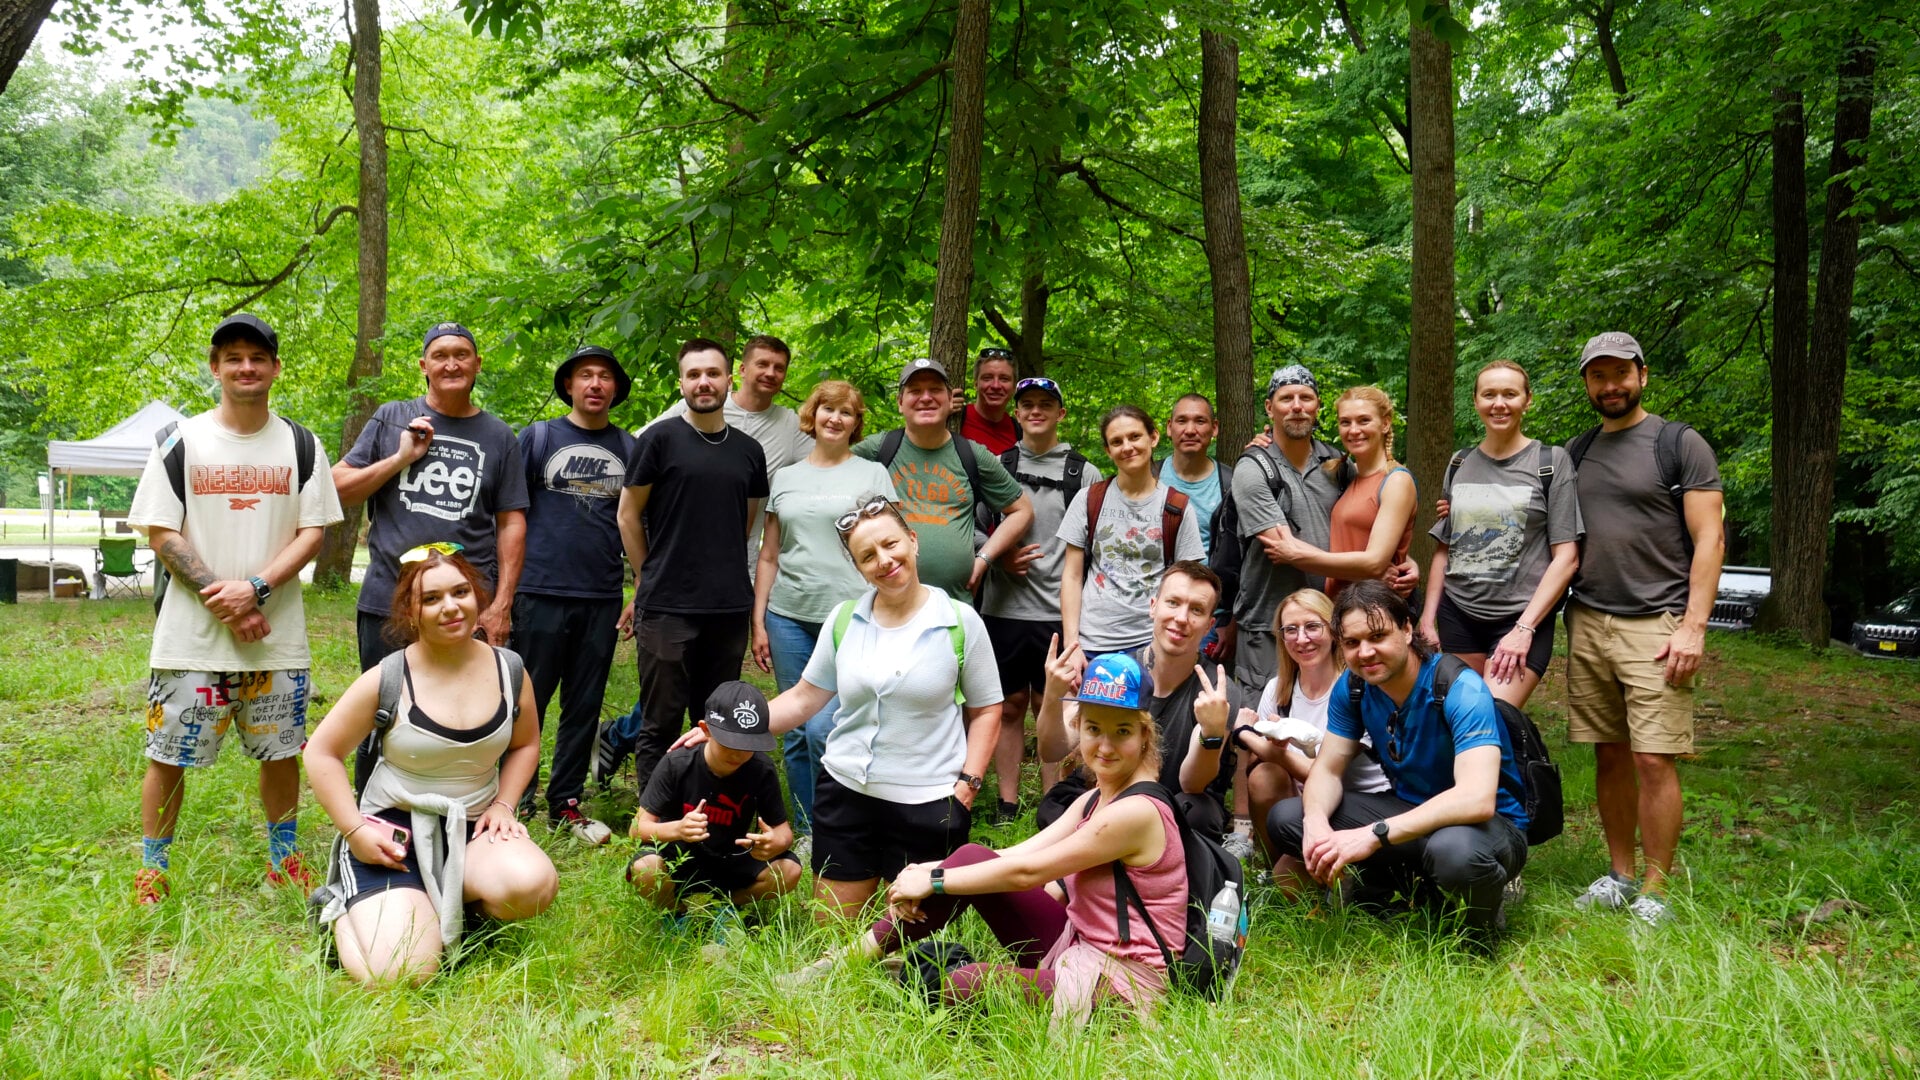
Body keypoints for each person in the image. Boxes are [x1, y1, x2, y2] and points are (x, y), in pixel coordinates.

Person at [794, 652, 1189, 1032]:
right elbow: (1016, 854)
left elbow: (1027, 872)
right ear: (1080, 729)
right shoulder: (1094, 798)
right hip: (1077, 946)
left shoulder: (1136, 812)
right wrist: (934, 870)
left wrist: (934, 882)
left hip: (1122, 984)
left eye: (1121, 731)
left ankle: (904, 969)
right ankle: (840, 964)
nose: (1104, 745)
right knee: (971, 856)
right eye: (1094, 728)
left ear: (1144, 734)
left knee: (965, 984)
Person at [683, 496, 1003, 923]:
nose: (884, 561)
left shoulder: (960, 622)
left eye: (891, 544)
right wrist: (726, 731)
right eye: (868, 556)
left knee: (908, 945)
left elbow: (987, 709)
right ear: (858, 568)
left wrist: (968, 787)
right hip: (846, 795)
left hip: (929, 802)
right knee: (830, 931)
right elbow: (803, 698)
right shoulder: (844, 619)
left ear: (912, 540)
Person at [127, 313, 344, 903]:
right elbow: (161, 533)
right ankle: (153, 870)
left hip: (276, 638)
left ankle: (284, 860)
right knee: (167, 756)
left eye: (257, 357)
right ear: (215, 366)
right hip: (188, 641)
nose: (245, 367)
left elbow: (311, 533)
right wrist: (225, 599)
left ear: (274, 367)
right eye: (233, 357)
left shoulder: (301, 443)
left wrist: (257, 589)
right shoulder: (179, 440)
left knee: (279, 754)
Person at [305, 547, 558, 985]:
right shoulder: (387, 678)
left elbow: (525, 743)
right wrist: (356, 830)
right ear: (411, 612)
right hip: (392, 839)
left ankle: (447, 908)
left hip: (473, 827)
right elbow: (321, 752)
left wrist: (505, 805)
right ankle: (337, 909)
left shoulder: (510, 670)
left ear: (478, 597)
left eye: (461, 592)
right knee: (402, 974)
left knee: (532, 885)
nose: (451, 607)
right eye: (432, 598)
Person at [1265, 581, 1529, 952]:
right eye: (1352, 643)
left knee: (1454, 853)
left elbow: (1477, 799)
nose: (1365, 652)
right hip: (1410, 811)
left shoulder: (1459, 687)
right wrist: (1316, 824)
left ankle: (1481, 928)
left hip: (1488, 827)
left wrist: (1373, 834)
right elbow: (1326, 770)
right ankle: (1411, 891)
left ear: (1407, 629)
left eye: (1377, 636)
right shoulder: (1354, 688)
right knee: (1288, 817)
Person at [1562, 331, 1723, 927]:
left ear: (1642, 376)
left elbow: (1711, 538)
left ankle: (1656, 889)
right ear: (1587, 384)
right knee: (1610, 755)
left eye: (1619, 374)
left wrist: (1693, 628)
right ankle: (1620, 874)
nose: (1610, 386)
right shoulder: (1575, 453)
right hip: (1588, 619)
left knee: (1655, 758)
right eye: (1598, 376)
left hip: (1657, 624)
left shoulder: (1678, 444)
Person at [614, 338, 769, 796]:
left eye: (713, 373)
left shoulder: (748, 451)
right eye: (694, 374)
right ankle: (654, 816)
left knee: (718, 720)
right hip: (666, 605)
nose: (704, 382)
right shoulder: (658, 440)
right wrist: (646, 576)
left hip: (727, 606)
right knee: (660, 718)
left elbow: (745, 522)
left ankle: (708, 812)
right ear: (681, 382)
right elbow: (627, 515)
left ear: (729, 378)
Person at [334, 322, 530, 671]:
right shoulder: (392, 418)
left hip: (467, 606)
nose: (451, 365)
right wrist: (400, 459)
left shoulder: (500, 436)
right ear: (424, 366)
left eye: (461, 355)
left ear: (478, 363)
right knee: (387, 711)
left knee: (465, 715)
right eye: (440, 356)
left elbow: (511, 522)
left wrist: (500, 604)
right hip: (389, 602)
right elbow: (336, 489)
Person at [751, 381, 898, 847]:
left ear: (856, 423)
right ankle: (806, 829)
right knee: (794, 731)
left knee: (826, 725)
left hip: (853, 616)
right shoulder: (787, 477)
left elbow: (891, 544)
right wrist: (759, 619)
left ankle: (843, 823)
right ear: (811, 416)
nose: (835, 418)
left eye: (846, 412)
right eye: (827, 410)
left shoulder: (873, 473)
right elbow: (770, 553)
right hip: (788, 613)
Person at [509, 345, 637, 841]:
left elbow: (639, 523)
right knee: (528, 702)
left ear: (614, 391)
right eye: (586, 375)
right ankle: (514, 801)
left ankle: (565, 803)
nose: (596, 384)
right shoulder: (538, 438)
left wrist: (639, 588)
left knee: (584, 704)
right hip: (539, 589)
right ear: (569, 385)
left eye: (605, 377)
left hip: (601, 595)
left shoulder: (629, 448)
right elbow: (510, 513)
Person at [1419, 361, 1582, 709]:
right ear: (1476, 401)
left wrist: (1524, 629)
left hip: (1520, 615)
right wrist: (1427, 617)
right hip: (1458, 614)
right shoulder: (1459, 463)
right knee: (1462, 721)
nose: (1499, 403)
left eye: (1510, 394)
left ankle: (1528, 767)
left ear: (1527, 400)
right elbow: (1445, 549)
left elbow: (1566, 557)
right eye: (1489, 394)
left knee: (1495, 719)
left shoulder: (1551, 463)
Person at [1035, 561, 1237, 840]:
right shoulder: (1114, 669)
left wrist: (1211, 734)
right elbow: (1052, 751)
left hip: (1174, 801)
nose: (1181, 618)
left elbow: (1193, 782)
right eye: (1173, 603)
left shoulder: (1216, 690)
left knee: (1198, 815)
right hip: (1109, 789)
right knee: (1056, 805)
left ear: (1209, 625)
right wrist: (1052, 694)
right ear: (1153, 606)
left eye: (1196, 610)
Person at [976, 376, 1100, 822]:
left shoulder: (1083, 472)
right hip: (1002, 609)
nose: (1035, 411)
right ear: (1017, 412)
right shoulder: (996, 464)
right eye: (1026, 404)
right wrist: (997, 555)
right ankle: (1007, 802)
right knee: (1008, 706)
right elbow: (970, 526)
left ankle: (1055, 799)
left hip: (1058, 611)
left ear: (1060, 413)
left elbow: (1095, 542)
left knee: (1053, 707)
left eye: (1046, 404)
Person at [1232, 588, 1390, 881]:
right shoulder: (1278, 689)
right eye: (1291, 629)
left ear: (1333, 631)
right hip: (1300, 807)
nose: (1302, 639)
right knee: (1264, 775)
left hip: (1355, 804)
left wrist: (1245, 734)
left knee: (1293, 886)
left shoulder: (1357, 688)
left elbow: (1326, 773)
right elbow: (1264, 764)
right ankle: (1271, 866)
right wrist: (1269, 745)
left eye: (1312, 626)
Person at [853, 357, 1033, 603]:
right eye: (915, 391)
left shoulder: (972, 454)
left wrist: (985, 558)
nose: (925, 397)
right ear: (900, 403)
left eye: (935, 390)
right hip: (887, 604)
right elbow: (828, 469)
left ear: (950, 401)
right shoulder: (879, 449)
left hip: (954, 607)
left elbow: (1022, 510)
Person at [625, 682, 803, 915]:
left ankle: (725, 908)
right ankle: (675, 912)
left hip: (731, 858)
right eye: (730, 743)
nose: (738, 753)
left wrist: (773, 843)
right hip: (678, 858)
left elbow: (783, 833)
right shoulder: (676, 763)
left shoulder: (761, 769)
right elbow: (637, 829)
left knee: (790, 870)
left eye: (748, 745)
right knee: (644, 868)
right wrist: (678, 829)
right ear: (705, 730)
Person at [645, 333, 812, 555]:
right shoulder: (697, 405)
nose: (770, 373)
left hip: (742, 554)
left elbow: (831, 462)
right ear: (742, 370)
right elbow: (639, 447)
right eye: (762, 364)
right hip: (674, 544)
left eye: (779, 368)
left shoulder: (790, 424)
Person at [1058, 405, 1204, 654]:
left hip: (1154, 642)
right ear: (1108, 450)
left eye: (1135, 436)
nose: (1127, 447)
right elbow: (1071, 576)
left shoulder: (1177, 507)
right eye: (1117, 441)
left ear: (1154, 437)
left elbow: (1189, 584)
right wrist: (1072, 645)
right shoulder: (1089, 499)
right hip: (1094, 641)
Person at [1262, 386, 1417, 598]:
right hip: (1341, 606)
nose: (1353, 430)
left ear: (1385, 423)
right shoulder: (1350, 474)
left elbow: (1374, 562)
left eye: (1364, 420)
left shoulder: (1396, 480)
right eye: (1345, 422)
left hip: (1375, 609)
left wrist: (1296, 555)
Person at [1157, 393, 1233, 557]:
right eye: (1182, 421)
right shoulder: (1150, 477)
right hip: (1159, 580)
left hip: (1213, 580)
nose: (1190, 430)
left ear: (1214, 428)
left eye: (1200, 421)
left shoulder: (1231, 483)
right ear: (1169, 427)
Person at [958, 347, 1020, 453]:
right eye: (987, 378)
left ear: (1014, 387)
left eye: (1004, 379)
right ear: (976, 384)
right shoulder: (955, 418)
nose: (996, 386)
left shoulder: (1020, 432)